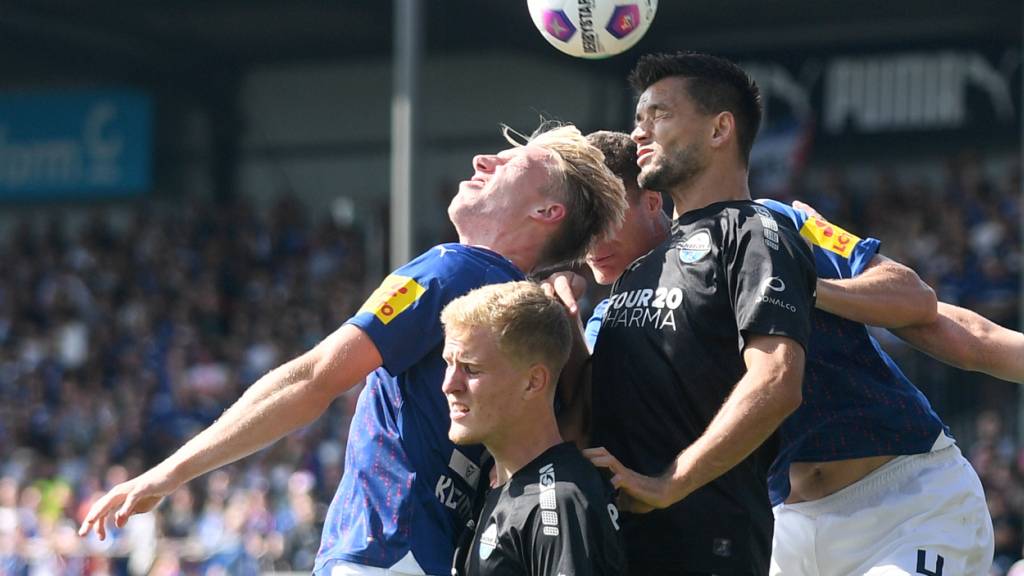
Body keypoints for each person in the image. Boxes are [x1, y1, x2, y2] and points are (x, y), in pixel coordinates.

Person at [77, 123, 627, 576]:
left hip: (384, 551)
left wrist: (168, 474)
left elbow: (313, 380)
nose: (484, 159)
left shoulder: (452, 268)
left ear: (547, 212)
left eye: (510, 163)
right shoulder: (534, 321)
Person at [575, 130, 1017, 575]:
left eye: (602, 218)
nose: (589, 243)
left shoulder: (773, 223)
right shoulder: (607, 322)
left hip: (908, 499)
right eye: (578, 227)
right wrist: (556, 314)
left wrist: (793, 285)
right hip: (787, 531)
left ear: (652, 200)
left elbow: (919, 303)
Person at [581, 52, 818, 575]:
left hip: (707, 546)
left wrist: (670, 483)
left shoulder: (754, 233)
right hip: (619, 547)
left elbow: (778, 380)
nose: (640, 133)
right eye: (638, 119)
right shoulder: (643, 263)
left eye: (660, 115)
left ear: (719, 130)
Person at [440, 281, 625, 576]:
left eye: (470, 369)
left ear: (533, 382)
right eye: (448, 365)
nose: (449, 385)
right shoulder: (497, 486)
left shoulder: (560, 502)